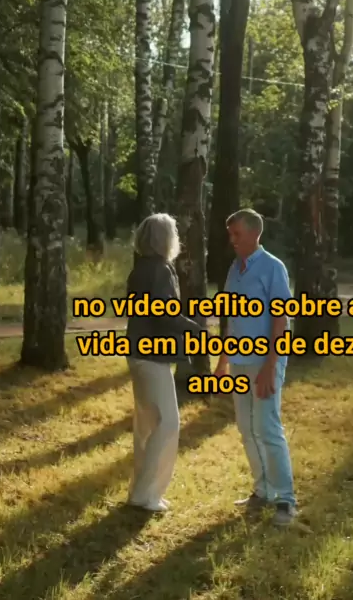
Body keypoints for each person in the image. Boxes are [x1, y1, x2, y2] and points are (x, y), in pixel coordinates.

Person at [214, 208, 297, 527]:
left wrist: (270, 366)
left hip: (265, 361)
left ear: (254, 233)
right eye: (230, 234)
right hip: (238, 361)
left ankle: (286, 500)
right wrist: (222, 362)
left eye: (236, 234)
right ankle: (263, 491)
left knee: (267, 427)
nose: (232, 240)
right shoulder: (234, 269)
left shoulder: (274, 267)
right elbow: (230, 319)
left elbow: (281, 320)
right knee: (246, 427)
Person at [125, 213, 201, 513]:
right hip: (151, 355)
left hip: (138, 353)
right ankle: (146, 494)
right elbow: (163, 313)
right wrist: (194, 327)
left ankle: (140, 491)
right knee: (167, 423)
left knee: (147, 424)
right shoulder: (159, 270)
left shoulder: (140, 268)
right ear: (165, 240)